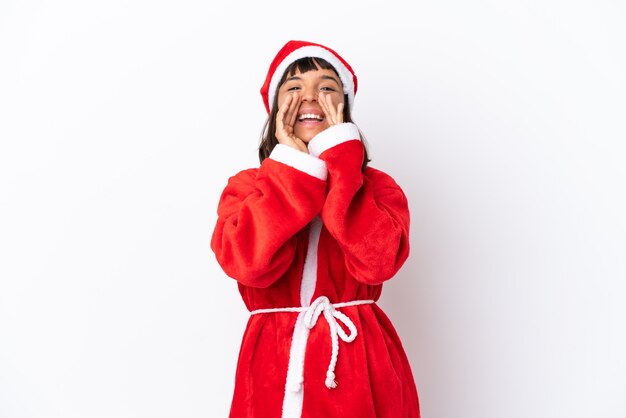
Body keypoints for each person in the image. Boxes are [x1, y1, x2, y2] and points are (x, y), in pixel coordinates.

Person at [211, 40, 421, 418]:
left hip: (360, 359)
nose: (309, 97)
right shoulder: (247, 187)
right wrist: (292, 174)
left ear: (345, 108)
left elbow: (377, 265)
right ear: (276, 109)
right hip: (272, 359)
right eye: (293, 88)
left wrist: (341, 164)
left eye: (326, 87)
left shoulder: (377, 188)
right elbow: (248, 265)